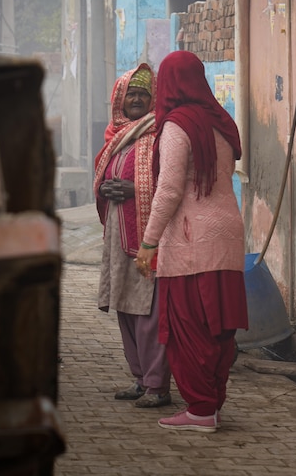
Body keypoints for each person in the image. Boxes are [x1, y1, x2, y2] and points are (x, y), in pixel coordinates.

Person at [135, 51, 247, 433]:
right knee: (218, 328)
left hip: (190, 241)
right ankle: (210, 405)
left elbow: (168, 189)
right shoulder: (222, 122)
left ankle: (199, 411)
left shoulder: (176, 127)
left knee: (190, 328)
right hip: (229, 235)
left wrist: (149, 243)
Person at [94, 63, 172, 408]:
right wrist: (108, 188)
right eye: (131, 94)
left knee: (148, 311)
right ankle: (140, 378)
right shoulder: (117, 135)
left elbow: (171, 186)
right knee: (126, 307)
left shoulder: (159, 134)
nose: (137, 99)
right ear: (119, 100)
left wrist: (132, 188)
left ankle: (157, 385)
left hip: (145, 237)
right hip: (117, 235)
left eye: (143, 94)